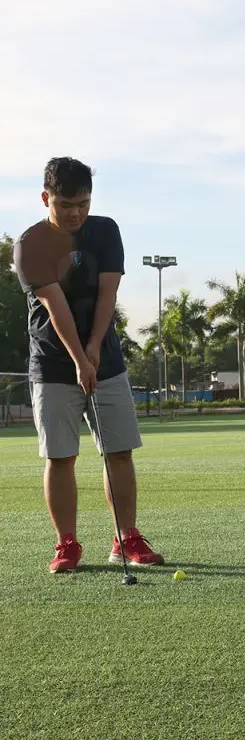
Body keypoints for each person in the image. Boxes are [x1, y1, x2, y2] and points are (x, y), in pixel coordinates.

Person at [13, 157, 164, 573]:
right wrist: (80, 359)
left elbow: (106, 295)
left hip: (107, 362)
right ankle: (66, 544)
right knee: (60, 457)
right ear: (46, 199)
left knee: (119, 452)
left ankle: (126, 538)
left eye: (82, 202)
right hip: (53, 365)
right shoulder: (30, 244)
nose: (76, 212)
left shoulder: (105, 230)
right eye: (65, 204)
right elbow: (55, 307)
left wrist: (96, 349)